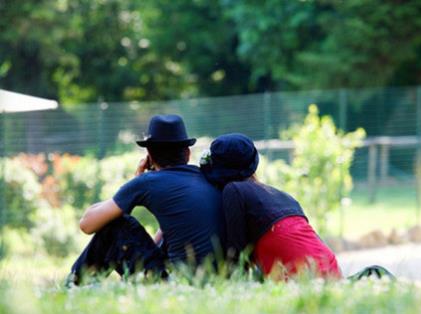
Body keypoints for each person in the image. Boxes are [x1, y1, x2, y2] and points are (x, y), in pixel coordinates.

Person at [68, 114, 225, 285]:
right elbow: (172, 232)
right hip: (213, 279)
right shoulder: (205, 177)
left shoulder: (148, 182)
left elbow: (87, 224)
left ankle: (74, 287)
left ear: (149, 155)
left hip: (174, 284)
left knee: (116, 225)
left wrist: (135, 182)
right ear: (187, 154)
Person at [200, 133, 342, 279]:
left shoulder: (234, 190)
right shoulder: (282, 195)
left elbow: (236, 254)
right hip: (331, 268)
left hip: (303, 278)